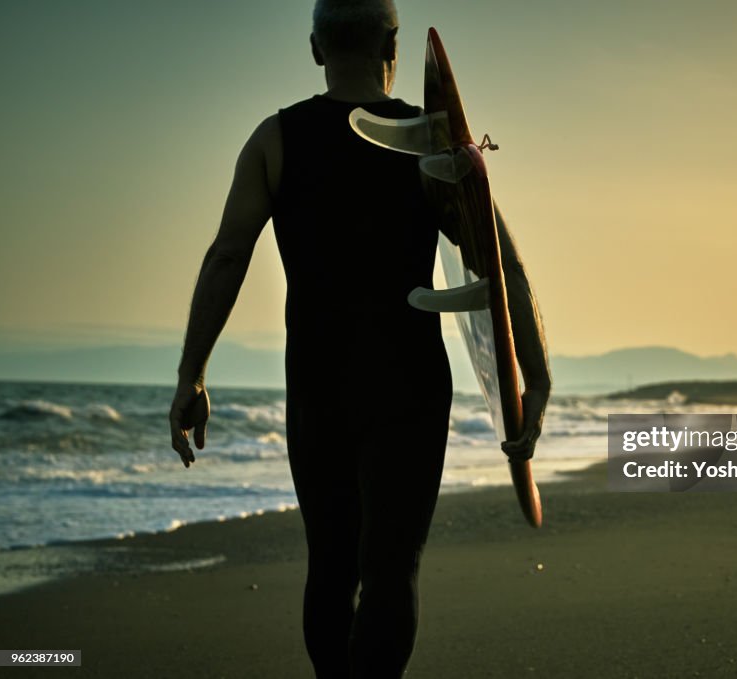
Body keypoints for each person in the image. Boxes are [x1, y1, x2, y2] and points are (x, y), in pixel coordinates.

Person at [167, 1, 551, 677]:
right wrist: (535, 381)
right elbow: (501, 265)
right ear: (392, 47)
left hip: (318, 380)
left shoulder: (274, 140)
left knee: (331, 564)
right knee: (390, 569)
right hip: (409, 383)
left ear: (316, 48)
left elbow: (227, 255)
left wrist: (191, 376)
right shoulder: (433, 143)